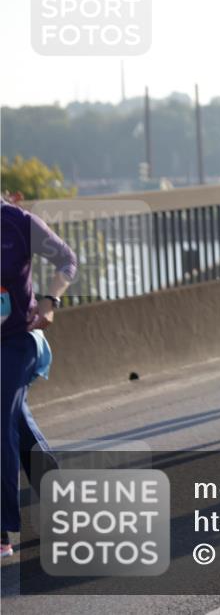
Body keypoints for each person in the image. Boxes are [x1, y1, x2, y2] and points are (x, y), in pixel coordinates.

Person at [2, 199, 78, 558]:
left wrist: (50, 301)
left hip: (18, 340)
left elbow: (68, 259)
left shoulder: (17, 222)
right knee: (16, 423)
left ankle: (2, 532)